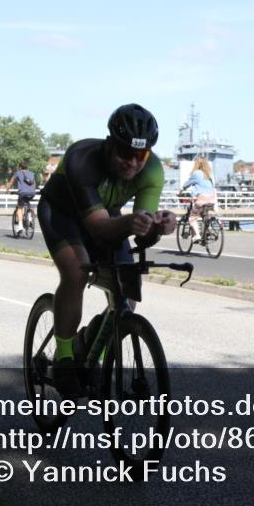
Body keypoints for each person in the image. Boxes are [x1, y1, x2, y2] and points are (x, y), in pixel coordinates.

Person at [37, 104, 177, 397]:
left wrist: (158, 227)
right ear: (110, 144)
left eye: (141, 155)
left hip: (107, 215)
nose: (133, 163)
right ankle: (63, 358)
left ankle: (91, 349)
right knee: (76, 271)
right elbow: (99, 228)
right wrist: (131, 223)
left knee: (127, 290)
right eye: (125, 153)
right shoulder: (82, 159)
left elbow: (142, 233)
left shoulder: (152, 170)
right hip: (62, 213)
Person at [181, 158, 217, 242]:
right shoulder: (209, 174)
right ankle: (207, 232)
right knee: (204, 215)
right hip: (211, 199)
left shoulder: (196, 173)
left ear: (196, 165)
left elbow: (187, 184)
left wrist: (180, 191)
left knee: (192, 217)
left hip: (201, 199)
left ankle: (197, 235)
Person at [6, 162, 37, 227]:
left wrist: (7, 190)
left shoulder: (17, 173)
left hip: (22, 193)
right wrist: (32, 191)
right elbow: (34, 184)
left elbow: (11, 182)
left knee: (20, 208)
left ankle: (20, 225)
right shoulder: (32, 173)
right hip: (32, 193)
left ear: (20, 167)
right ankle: (30, 218)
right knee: (28, 202)